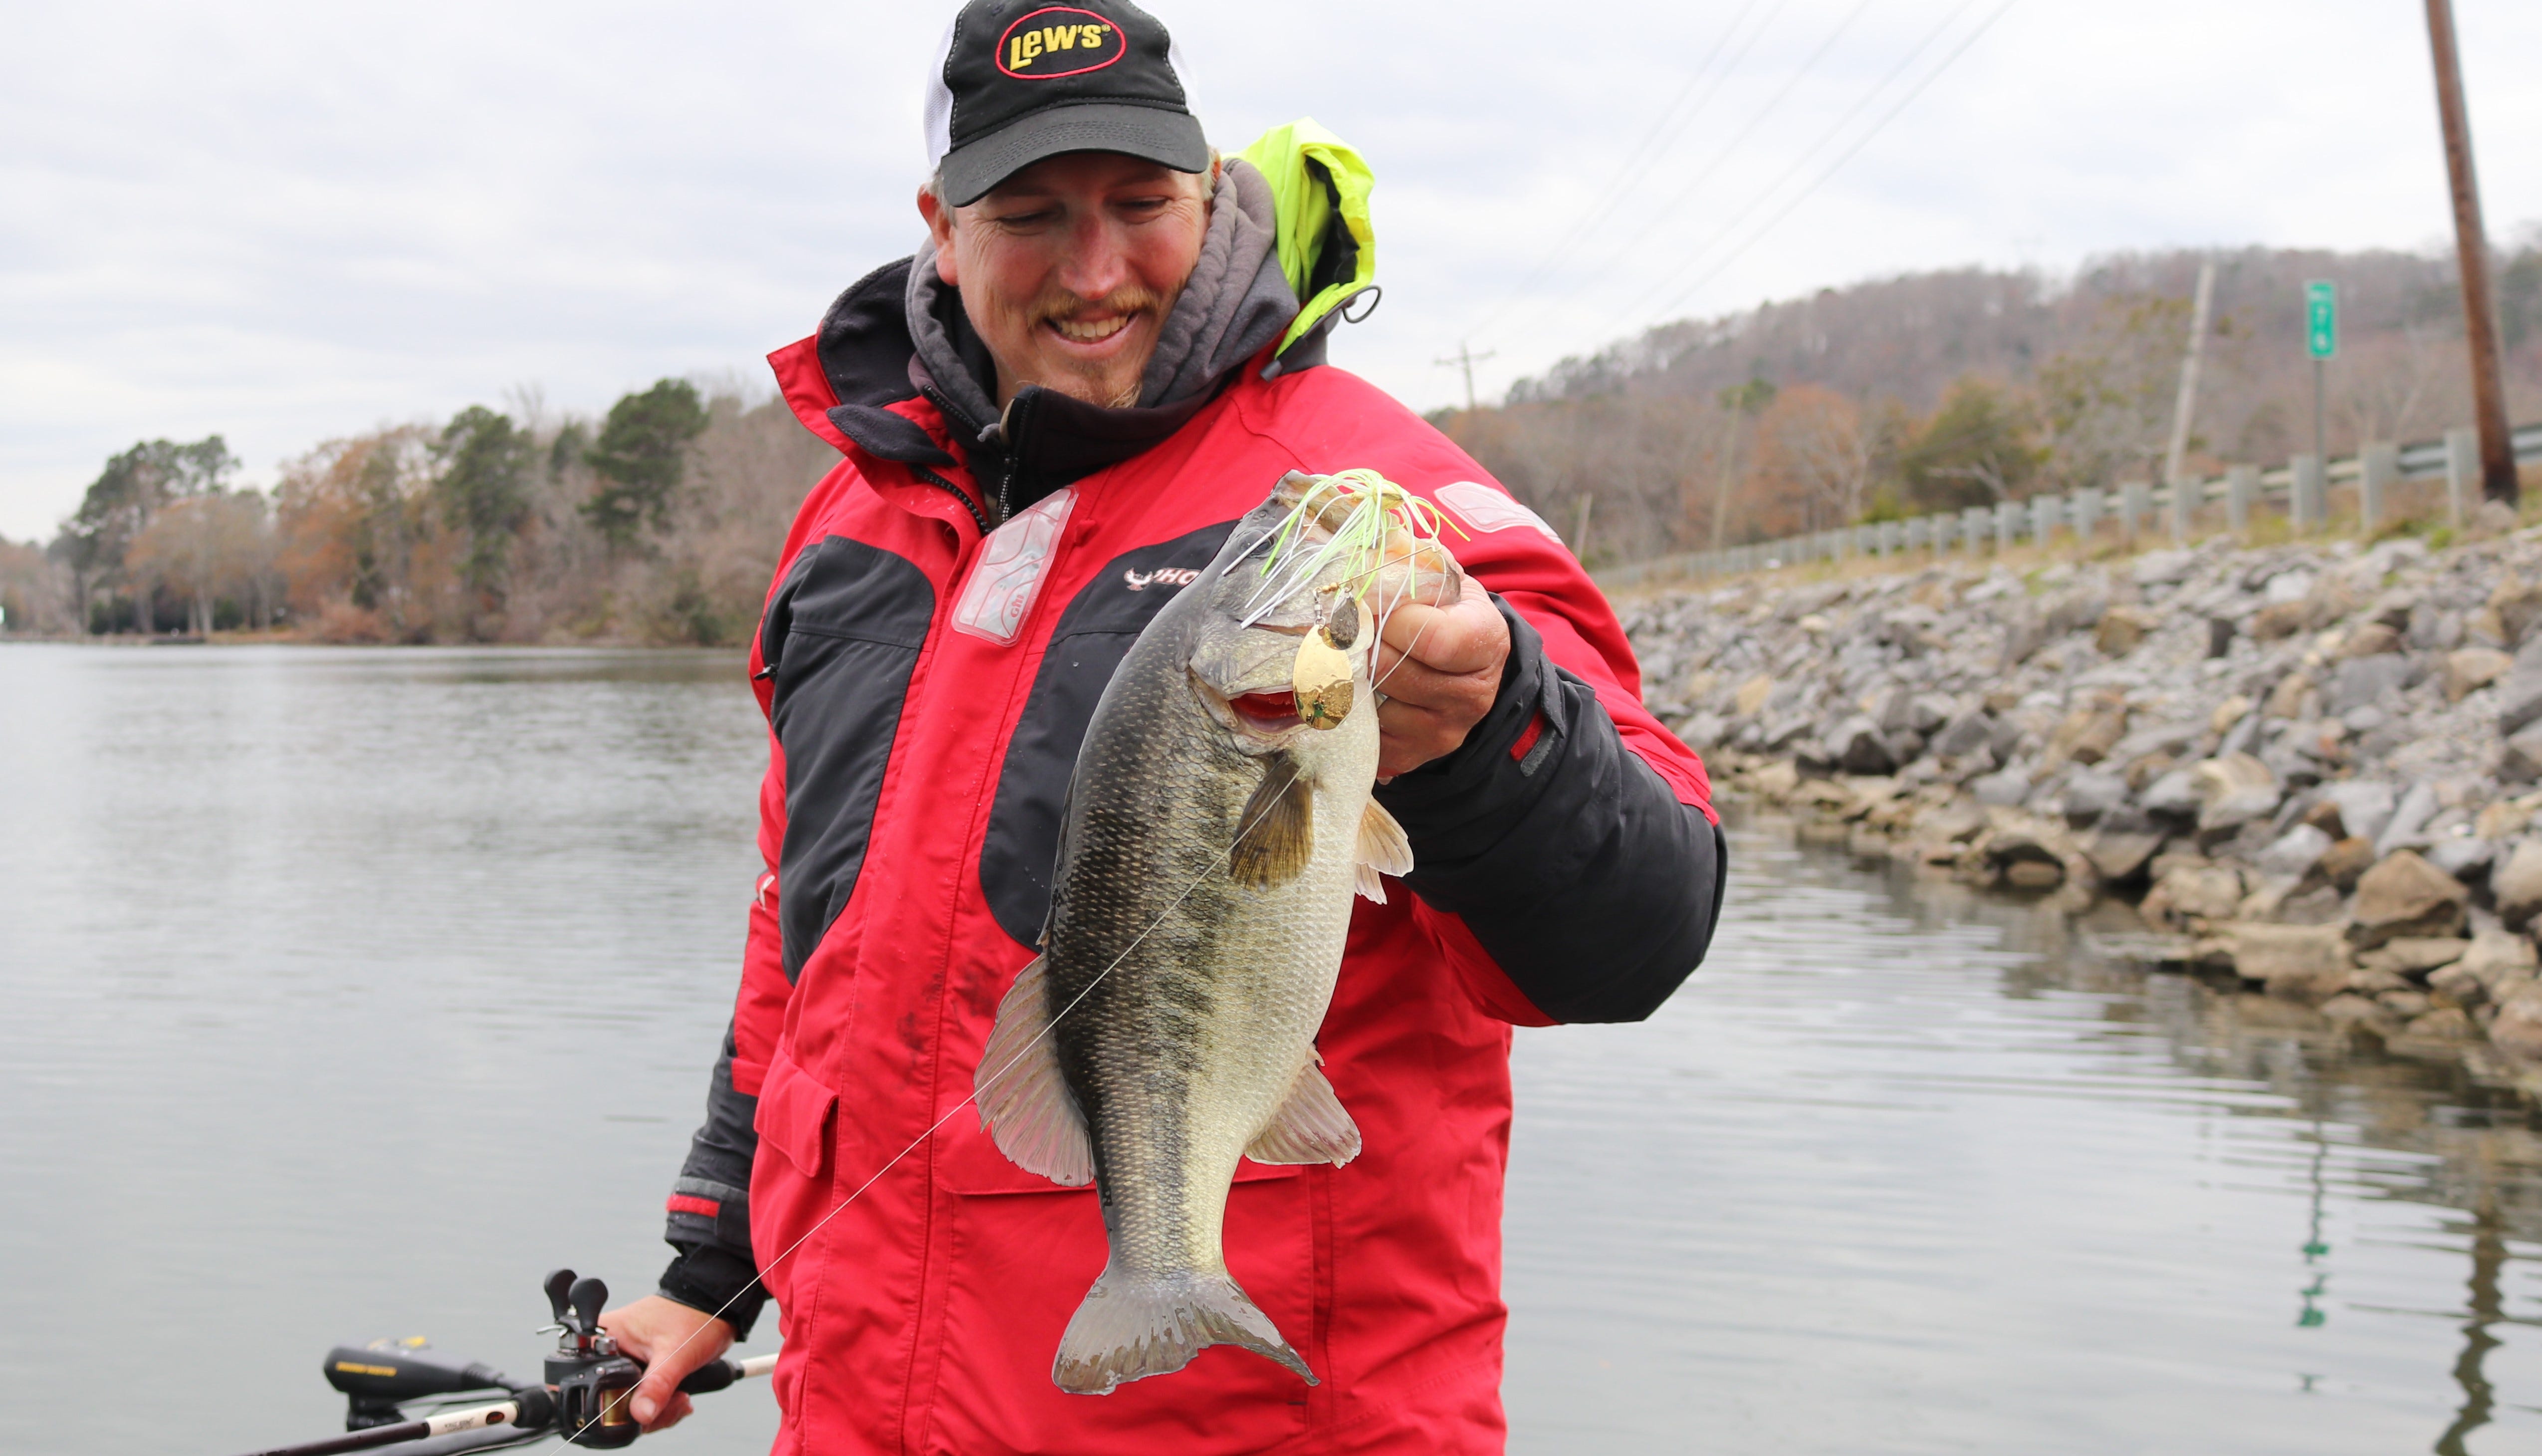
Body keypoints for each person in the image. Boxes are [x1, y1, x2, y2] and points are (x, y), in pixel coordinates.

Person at [600, 3, 1724, 1451]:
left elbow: (1640, 935)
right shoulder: (855, 526)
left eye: (1143, 205)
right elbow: (803, 941)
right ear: (939, 228)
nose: (1095, 270)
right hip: (864, 1406)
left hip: (1264, 1422)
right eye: (1031, 215)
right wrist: (715, 1270)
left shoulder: (1375, 511)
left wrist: (1494, 727)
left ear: (1208, 190)